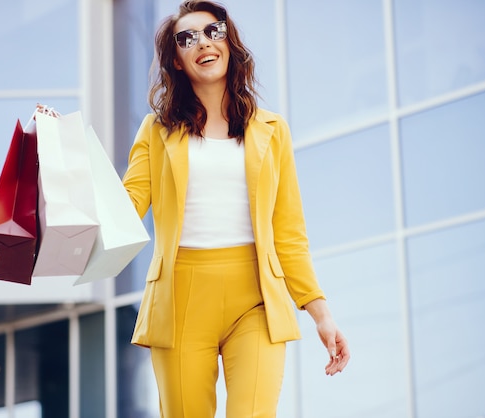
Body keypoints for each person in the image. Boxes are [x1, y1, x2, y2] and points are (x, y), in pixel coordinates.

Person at [122, 1, 350, 416]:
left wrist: (320, 313)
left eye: (213, 31)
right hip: (181, 300)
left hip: (257, 299)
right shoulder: (156, 132)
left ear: (229, 42)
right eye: (186, 38)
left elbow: (289, 232)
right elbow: (126, 208)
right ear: (176, 59)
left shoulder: (272, 130)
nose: (203, 43)